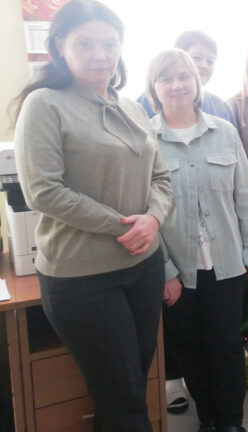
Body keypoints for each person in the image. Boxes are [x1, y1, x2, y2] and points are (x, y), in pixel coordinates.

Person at [12, 1, 172, 430]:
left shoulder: (132, 107)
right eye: (85, 44)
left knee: (131, 387)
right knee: (123, 398)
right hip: (82, 277)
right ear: (59, 47)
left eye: (110, 44)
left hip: (144, 265)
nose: (100, 55)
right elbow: (44, 191)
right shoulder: (45, 104)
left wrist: (153, 220)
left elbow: (161, 177)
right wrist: (124, 225)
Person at [147, 49, 248, 432]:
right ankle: (208, 417)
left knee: (226, 346)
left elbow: (246, 198)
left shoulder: (224, 132)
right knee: (188, 347)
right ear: (154, 88)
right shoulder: (144, 140)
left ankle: (231, 421)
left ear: (196, 82)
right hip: (177, 271)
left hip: (226, 264)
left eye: (184, 76)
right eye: (166, 78)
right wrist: (165, 271)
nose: (177, 85)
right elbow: (143, 213)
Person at [137, 30, 235, 128]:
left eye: (210, 61)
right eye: (196, 57)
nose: (204, 65)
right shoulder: (147, 100)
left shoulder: (221, 107)